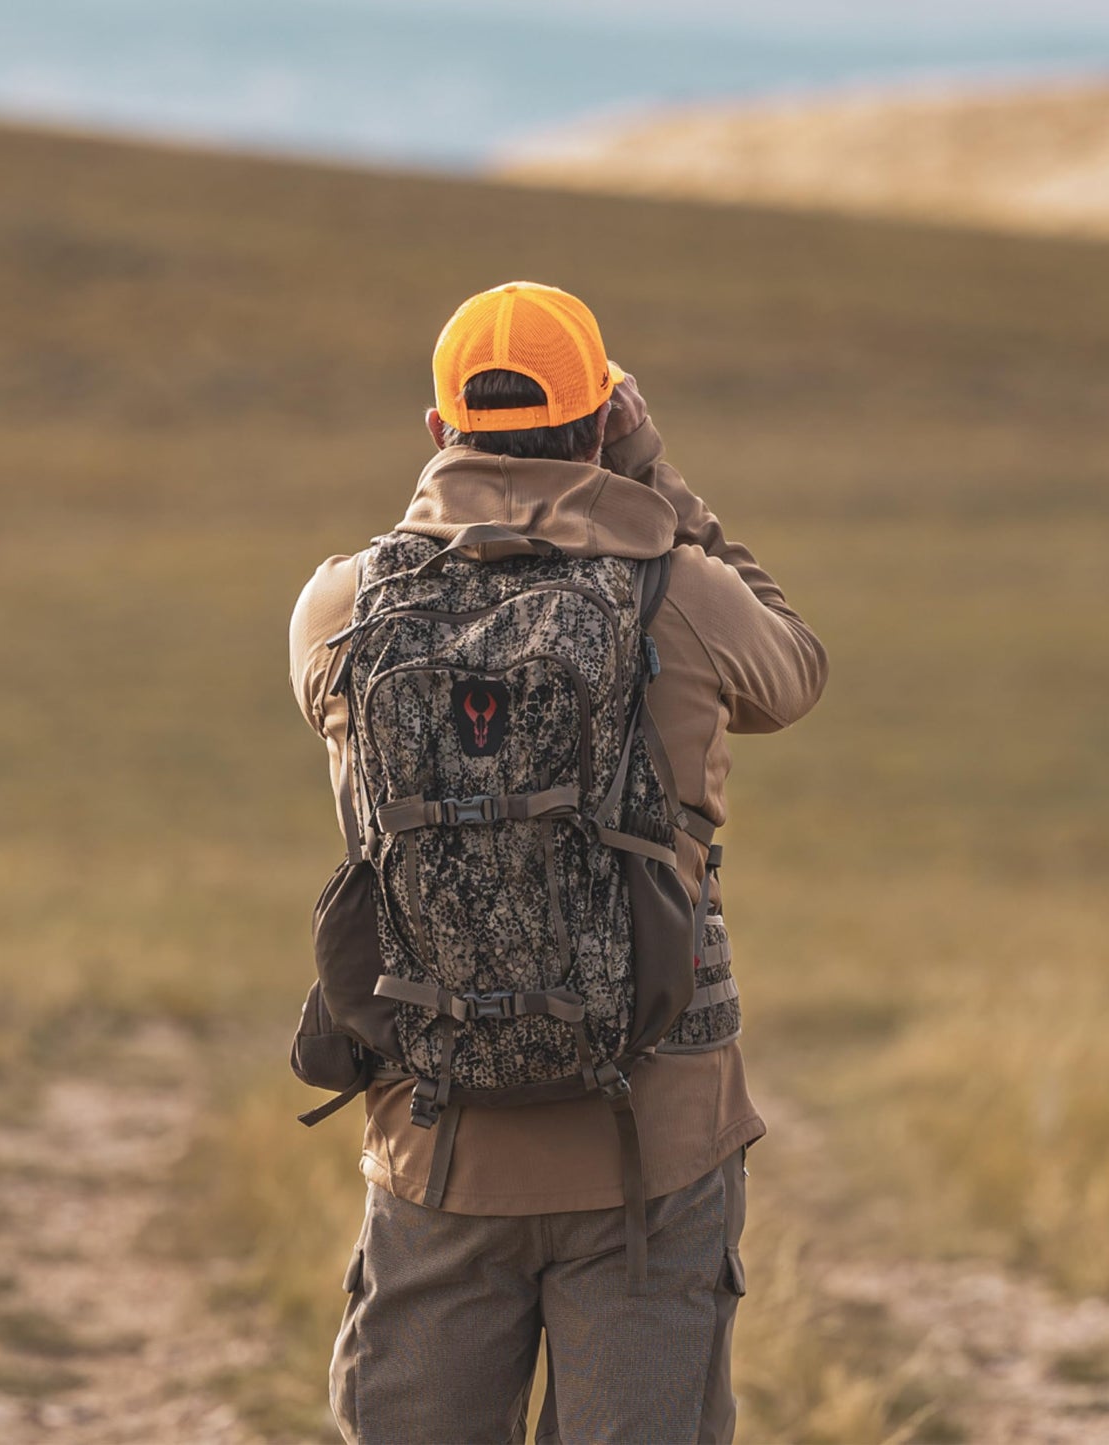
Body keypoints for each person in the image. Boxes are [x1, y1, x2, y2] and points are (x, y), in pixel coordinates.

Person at [289, 280, 827, 1445]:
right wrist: (656, 480)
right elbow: (793, 665)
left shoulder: (340, 603)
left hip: (436, 1133)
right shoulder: (677, 592)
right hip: (655, 1128)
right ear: (600, 423)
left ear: (437, 431)